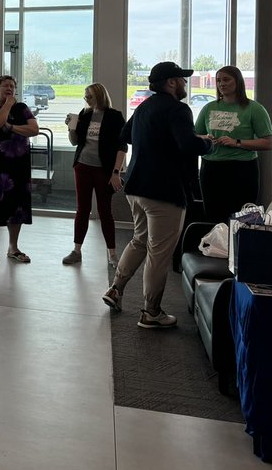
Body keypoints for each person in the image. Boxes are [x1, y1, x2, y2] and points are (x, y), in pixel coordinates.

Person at [104, 62, 212, 328]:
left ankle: (116, 290)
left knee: (140, 240)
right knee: (159, 252)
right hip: (164, 191)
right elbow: (188, 145)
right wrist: (207, 142)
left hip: (136, 188)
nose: (186, 84)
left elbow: (125, 134)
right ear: (172, 83)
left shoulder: (144, 107)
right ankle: (151, 312)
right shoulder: (178, 109)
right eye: (182, 80)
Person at [193, 65, 272, 225]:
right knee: (214, 216)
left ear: (238, 82)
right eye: (218, 81)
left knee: (243, 218)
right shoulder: (209, 107)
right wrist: (206, 138)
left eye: (226, 79)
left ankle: (240, 248)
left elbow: (268, 142)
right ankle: (216, 248)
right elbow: (194, 136)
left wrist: (237, 142)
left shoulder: (254, 109)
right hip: (211, 169)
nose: (221, 84)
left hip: (242, 169)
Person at [0, 75, 38, 265]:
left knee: (17, 206)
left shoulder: (22, 108)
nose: (9, 89)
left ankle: (13, 247)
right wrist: (8, 105)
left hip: (18, 166)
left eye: (12, 86)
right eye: (5, 86)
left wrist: (11, 126)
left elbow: (34, 129)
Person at [63, 83, 126, 267]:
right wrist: (71, 128)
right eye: (85, 96)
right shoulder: (84, 114)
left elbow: (122, 146)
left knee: (105, 211)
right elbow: (75, 142)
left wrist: (116, 172)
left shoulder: (114, 117)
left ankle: (112, 254)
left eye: (89, 96)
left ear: (99, 96)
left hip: (104, 170)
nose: (86, 100)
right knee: (82, 210)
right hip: (82, 166)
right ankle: (76, 250)